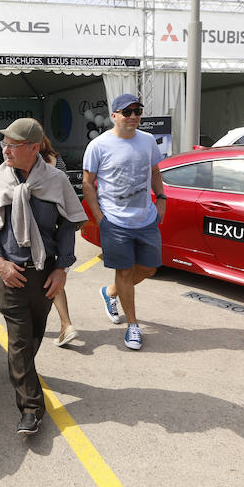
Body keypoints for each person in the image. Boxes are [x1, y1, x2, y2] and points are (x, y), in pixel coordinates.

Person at [0, 118, 87, 435]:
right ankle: (31, 409)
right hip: (9, 273)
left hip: (44, 274)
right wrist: (1, 264)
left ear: (33, 148)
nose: (5, 149)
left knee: (33, 337)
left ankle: (19, 371)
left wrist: (62, 268)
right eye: (4, 144)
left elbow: (66, 226)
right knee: (21, 341)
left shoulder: (56, 180)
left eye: (12, 144)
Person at [81, 94, 166, 351]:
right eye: (127, 112)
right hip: (115, 220)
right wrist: (100, 219)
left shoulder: (148, 140)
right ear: (114, 115)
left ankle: (110, 293)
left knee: (150, 267)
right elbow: (88, 183)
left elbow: (154, 171)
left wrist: (161, 198)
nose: (133, 116)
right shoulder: (98, 145)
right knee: (125, 272)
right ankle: (133, 325)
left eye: (137, 111)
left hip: (146, 218)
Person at [37, 129, 76, 347]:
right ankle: (66, 324)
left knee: (47, 282)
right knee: (56, 280)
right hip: (60, 229)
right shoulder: (57, 160)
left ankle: (65, 324)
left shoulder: (32, 165)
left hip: (42, 233)